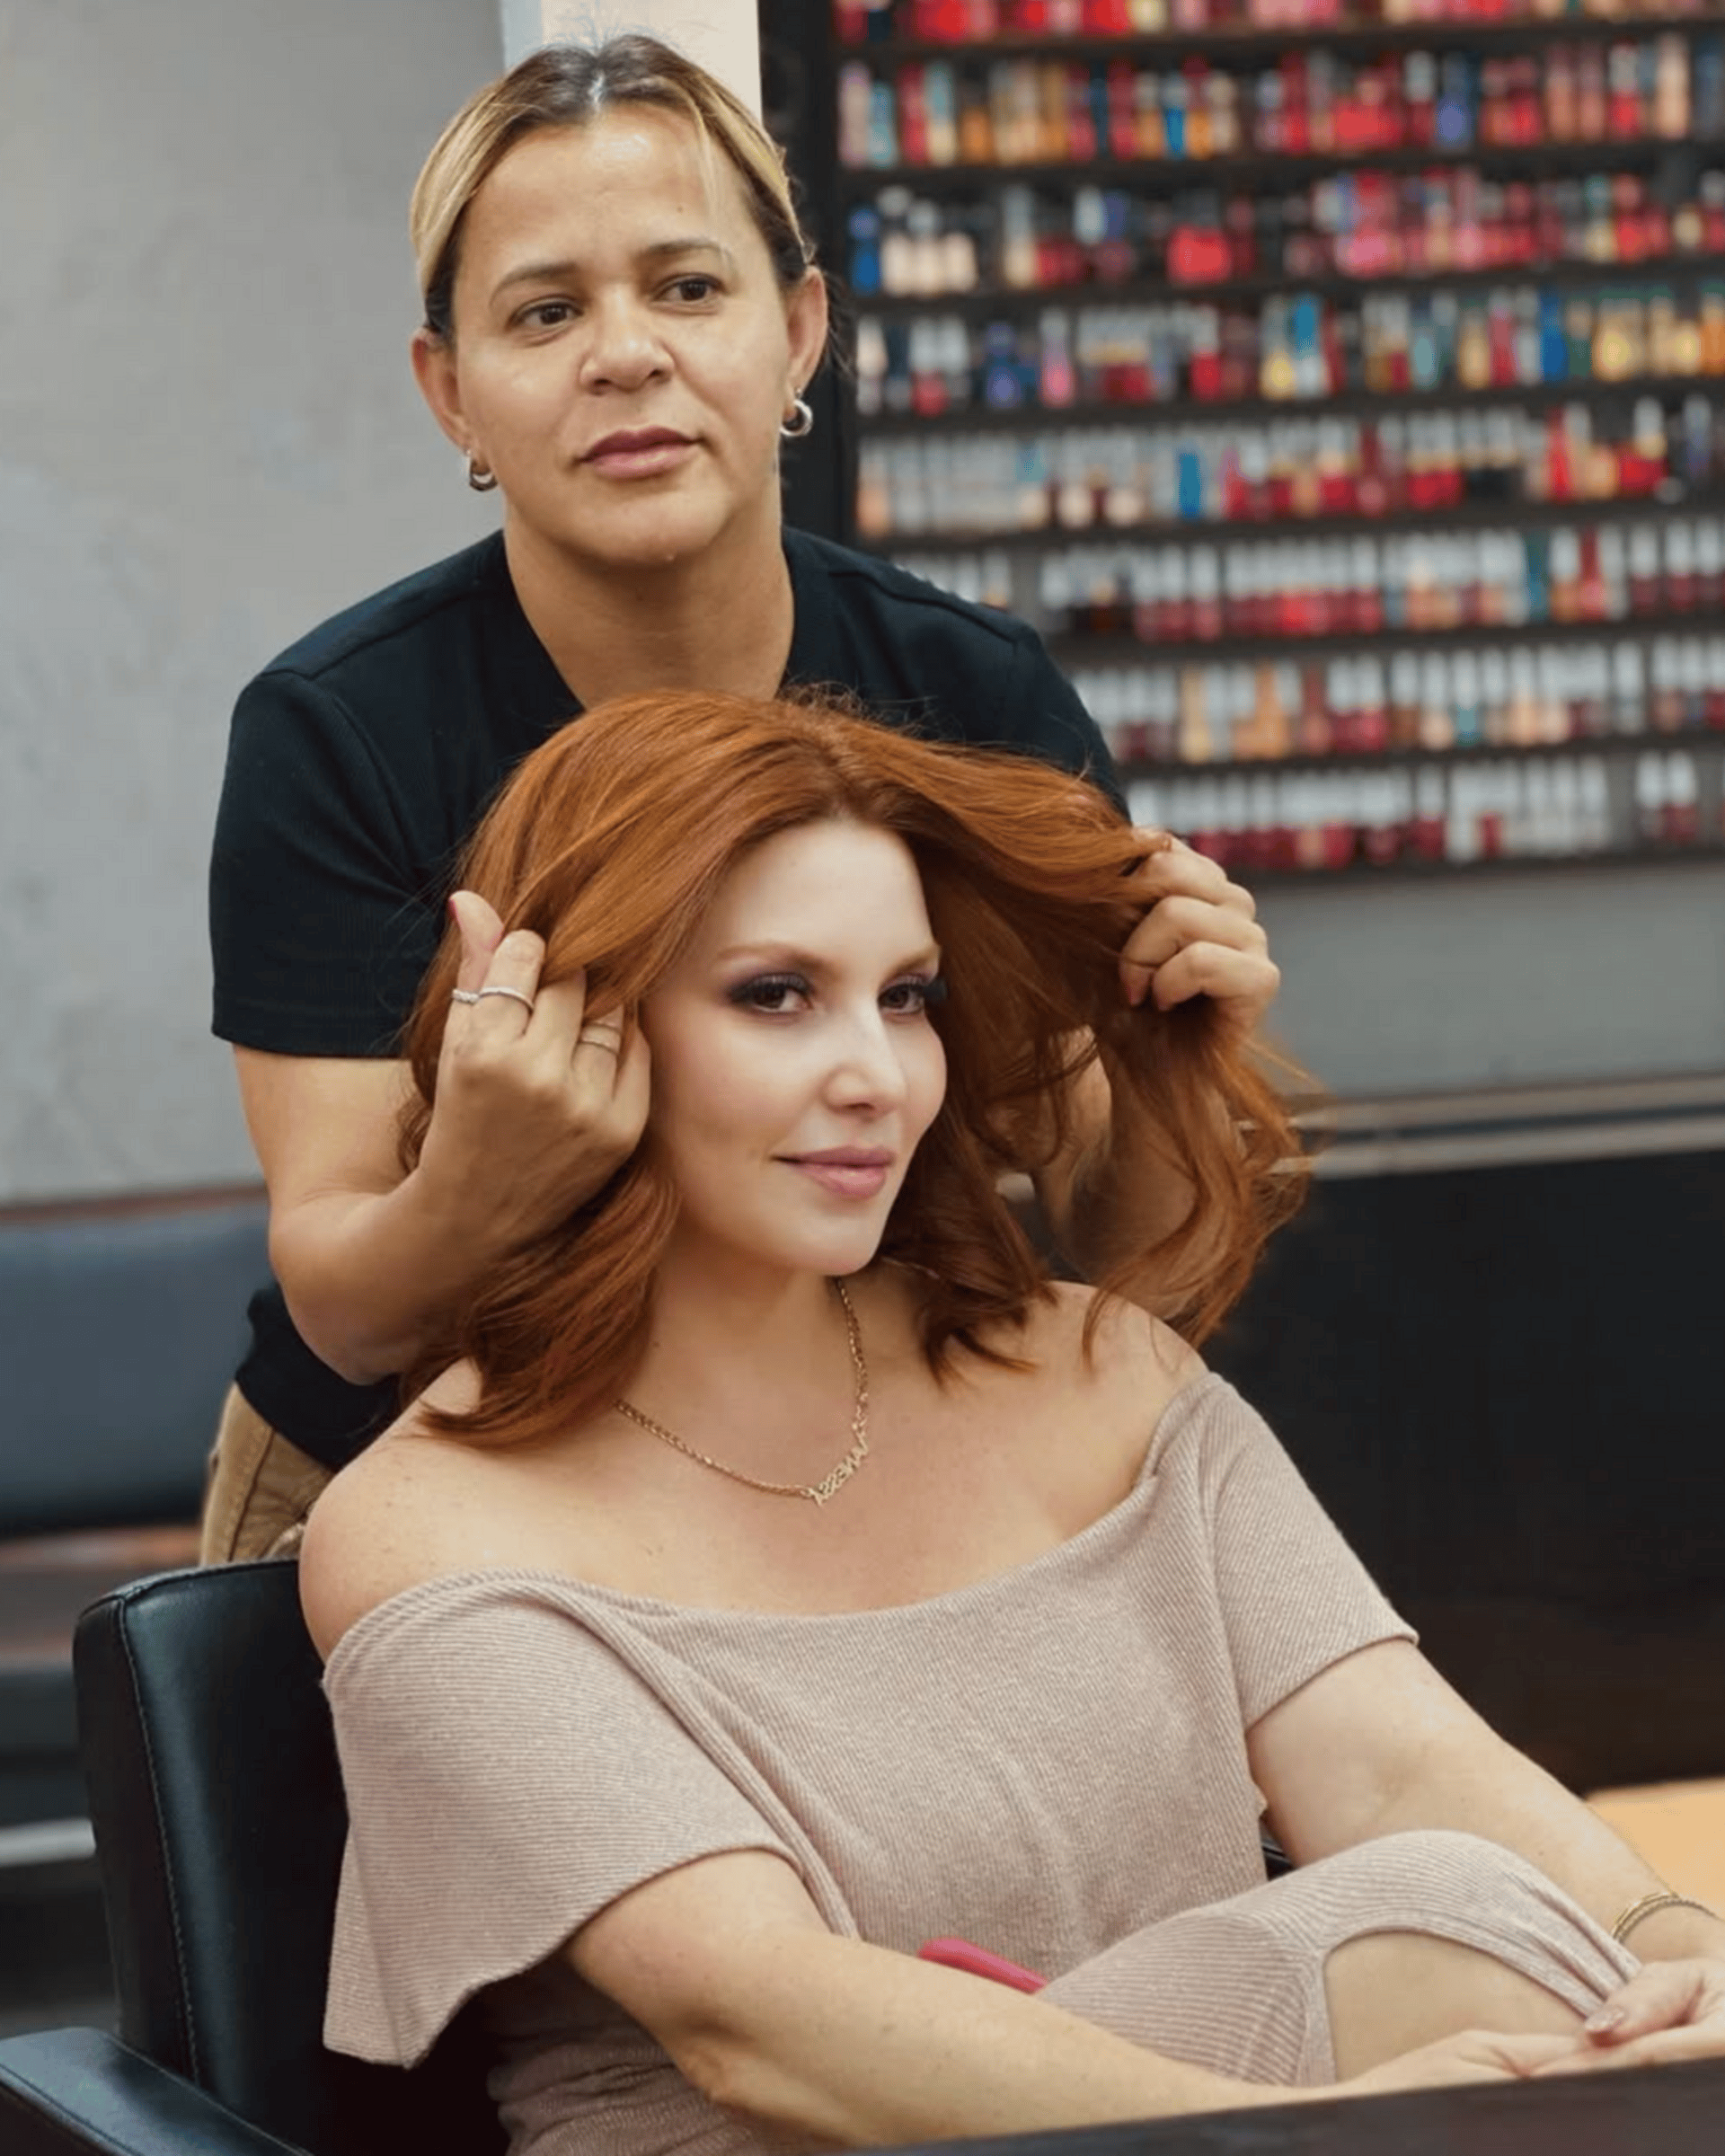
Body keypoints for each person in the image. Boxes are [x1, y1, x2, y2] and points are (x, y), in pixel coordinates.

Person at [303, 687, 1725, 2156]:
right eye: (775, 994)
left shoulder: (1098, 1376)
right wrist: (1297, 2135)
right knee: (1444, 1935)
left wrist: (1684, 1949)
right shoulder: (436, 1525)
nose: (875, 1076)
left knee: (1469, 1905)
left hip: (1237, 2119)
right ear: (564, 1025)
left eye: (905, 996)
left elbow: (1400, 1765)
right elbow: (757, 2024)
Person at [204, 33, 1280, 1566]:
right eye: (546, 310)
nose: (624, 353)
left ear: (797, 333)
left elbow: (1122, 1248)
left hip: (853, 1455)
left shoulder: (971, 699)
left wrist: (1174, 1055)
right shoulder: (340, 736)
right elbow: (347, 1302)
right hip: (416, 1464)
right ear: (452, 393)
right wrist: (484, 1185)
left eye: (687, 287)